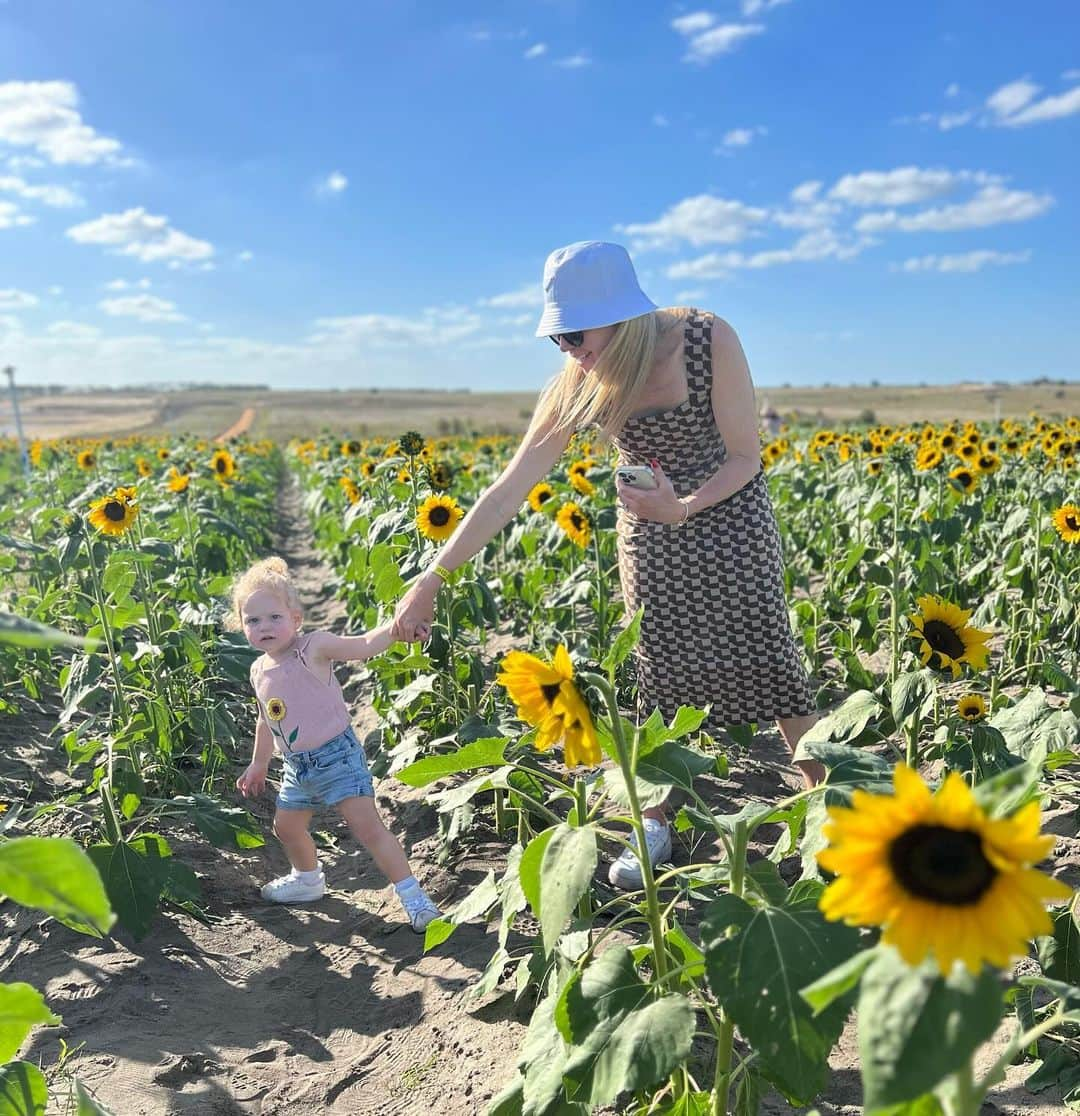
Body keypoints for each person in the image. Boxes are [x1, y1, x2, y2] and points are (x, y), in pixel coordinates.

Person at [392, 240, 823, 891]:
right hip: (651, 535)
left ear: (621, 316)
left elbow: (744, 457)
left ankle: (828, 808)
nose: (568, 350)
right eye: (556, 339)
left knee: (769, 656)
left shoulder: (706, 339)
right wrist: (432, 578)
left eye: (575, 333)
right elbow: (509, 488)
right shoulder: (581, 381)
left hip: (731, 520)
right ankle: (655, 819)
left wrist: (684, 506)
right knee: (657, 668)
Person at [233, 557, 441, 932]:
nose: (264, 627)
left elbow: (363, 645)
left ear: (295, 619)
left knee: (368, 829)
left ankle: (415, 899)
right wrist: (260, 763)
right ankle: (307, 879)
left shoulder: (314, 647)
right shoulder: (257, 669)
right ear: (242, 626)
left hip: (337, 757)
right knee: (287, 827)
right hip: (297, 767)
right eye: (253, 620)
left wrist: (395, 630)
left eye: (274, 617)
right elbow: (266, 719)